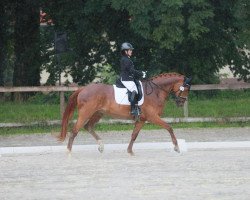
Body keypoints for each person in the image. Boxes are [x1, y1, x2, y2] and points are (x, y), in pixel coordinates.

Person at [119, 42, 146, 116]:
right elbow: (131, 71)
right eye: (130, 50)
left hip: (129, 78)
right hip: (126, 79)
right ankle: (133, 109)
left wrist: (139, 73)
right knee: (134, 90)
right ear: (125, 51)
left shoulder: (127, 59)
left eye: (131, 50)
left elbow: (131, 71)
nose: (131, 51)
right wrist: (141, 73)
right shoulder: (126, 60)